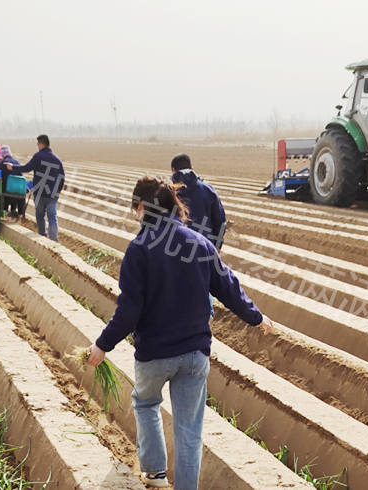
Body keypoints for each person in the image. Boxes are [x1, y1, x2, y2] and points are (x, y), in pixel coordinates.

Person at [87, 176, 274, 490]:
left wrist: (102, 345)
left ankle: (156, 474)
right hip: (194, 354)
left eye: (134, 207)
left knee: (146, 404)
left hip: (154, 354)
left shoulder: (139, 249)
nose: (134, 212)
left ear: (142, 207)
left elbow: (129, 311)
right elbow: (229, 288)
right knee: (189, 429)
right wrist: (256, 318)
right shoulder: (199, 243)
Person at [9, 134, 63, 240]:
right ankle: (54, 239)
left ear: (41, 144)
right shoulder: (57, 159)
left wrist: (13, 168)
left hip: (40, 192)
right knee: (52, 217)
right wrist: (57, 191)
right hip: (52, 193)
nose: (37, 146)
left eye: (38, 144)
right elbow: (62, 177)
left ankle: (42, 235)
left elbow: (27, 168)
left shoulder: (38, 156)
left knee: (40, 215)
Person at [170, 154, 227, 250]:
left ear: (173, 170)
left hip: (175, 249)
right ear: (192, 168)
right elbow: (219, 221)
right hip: (205, 247)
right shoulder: (208, 190)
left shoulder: (166, 191)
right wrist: (217, 246)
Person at [0, 144, 26, 218]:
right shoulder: (17, 162)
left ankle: (4, 209)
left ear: (2, 154)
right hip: (19, 189)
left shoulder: (2, 163)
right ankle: (19, 213)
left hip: (7, 189)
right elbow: (21, 175)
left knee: (2, 187)